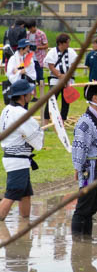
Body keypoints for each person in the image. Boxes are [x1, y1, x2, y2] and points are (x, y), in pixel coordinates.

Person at [71, 82, 97, 235]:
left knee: (92, 209)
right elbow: (79, 145)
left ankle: (86, 243)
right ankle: (77, 244)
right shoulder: (85, 122)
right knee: (83, 209)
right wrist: (77, 166)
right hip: (89, 170)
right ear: (95, 97)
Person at [0, 79, 44, 220]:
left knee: (25, 194)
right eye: (29, 93)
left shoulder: (7, 109)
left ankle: (25, 225)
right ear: (23, 96)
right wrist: (39, 132)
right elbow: (37, 141)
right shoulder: (21, 114)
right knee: (12, 194)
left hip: (14, 158)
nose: (31, 95)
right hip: (17, 161)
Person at [42, 33, 76, 122]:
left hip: (68, 81)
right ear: (61, 43)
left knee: (66, 102)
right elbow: (51, 65)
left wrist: (67, 76)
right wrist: (60, 76)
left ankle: (62, 123)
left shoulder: (71, 52)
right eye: (67, 43)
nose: (68, 45)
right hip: (55, 80)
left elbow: (73, 65)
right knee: (51, 101)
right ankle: (46, 122)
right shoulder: (52, 52)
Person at [5, 39, 36, 103]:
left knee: (25, 103)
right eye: (27, 47)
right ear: (22, 48)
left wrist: (18, 70)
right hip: (16, 86)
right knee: (15, 103)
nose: (28, 49)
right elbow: (10, 72)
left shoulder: (30, 58)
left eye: (28, 47)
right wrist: (20, 71)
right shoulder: (13, 58)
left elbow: (29, 70)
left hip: (26, 84)